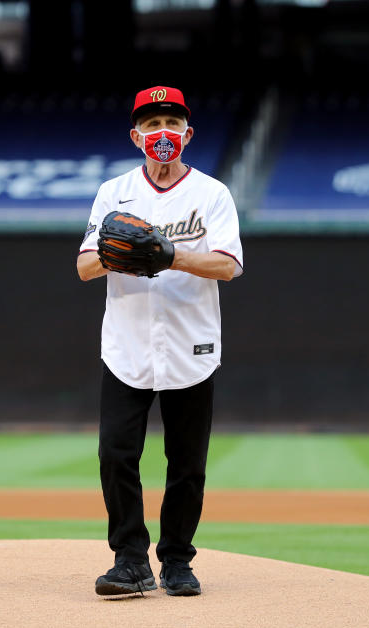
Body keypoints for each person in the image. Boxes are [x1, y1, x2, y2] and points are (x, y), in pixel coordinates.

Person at [76, 86, 244, 597]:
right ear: (136, 136)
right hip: (127, 345)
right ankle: (129, 559)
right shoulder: (114, 192)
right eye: (151, 125)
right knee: (115, 453)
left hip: (191, 344)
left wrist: (169, 254)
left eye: (172, 122)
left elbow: (229, 265)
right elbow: (85, 266)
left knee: (187, 463)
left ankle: (176, 560)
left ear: (188, 135)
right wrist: (122, 252)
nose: (162, 132)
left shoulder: (212, 194)